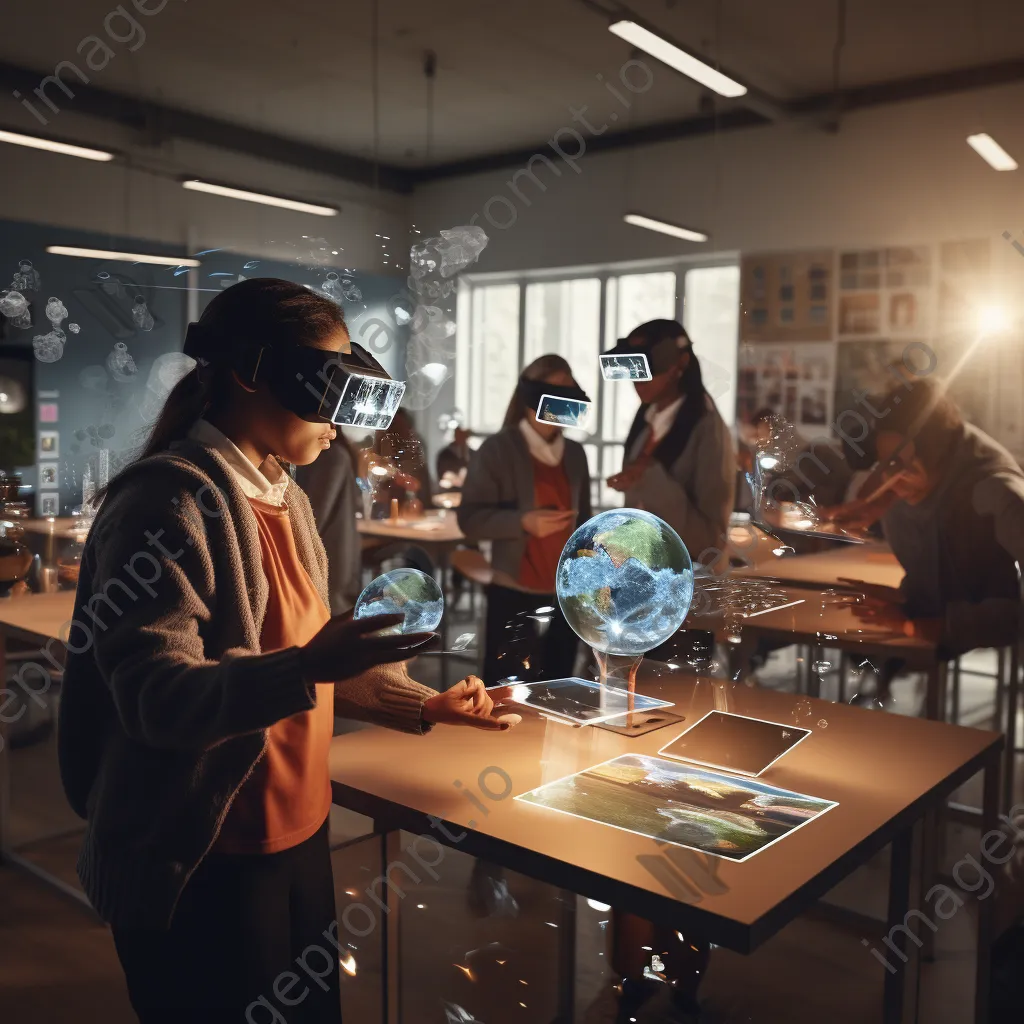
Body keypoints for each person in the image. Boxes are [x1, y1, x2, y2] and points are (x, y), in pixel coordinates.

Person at [57, 279, 515, 1023]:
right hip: (202, 858)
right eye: (328, 385)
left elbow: (314, 655)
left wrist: (423, 702)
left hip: (297, 838)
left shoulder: (285, 495)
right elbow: (154, 698)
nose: (340, 423)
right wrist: (304, 669)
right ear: (253, 373)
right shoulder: (164, 504)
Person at [842, 375, 1024, 657]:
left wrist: (914, 626)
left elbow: (1013, 617)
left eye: (901, 464)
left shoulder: (995, 493)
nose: (890, 479)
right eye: (885, 463)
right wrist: (904, 601)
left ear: (938, 453)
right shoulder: (903, 485)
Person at [458, 353, 592, 685]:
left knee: (558, 685)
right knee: (508, 689)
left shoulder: (575, 455)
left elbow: (585, 521)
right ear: (533, 400)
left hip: (565, 595)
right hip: (513, 593)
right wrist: (522, 522)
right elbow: (470, 519)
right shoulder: (496, 450)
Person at [605, 320, 735, 568]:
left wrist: (651, 477)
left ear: (681, 363)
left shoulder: (708, 429)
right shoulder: (645, 421)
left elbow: (711, 542)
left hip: (691, 587)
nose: (638, 379)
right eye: (633, 368)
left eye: (649, 367)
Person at [294, 433, 363, 615]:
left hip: (327, 555)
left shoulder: (332, 456)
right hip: (333, 555)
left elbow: (315, 515)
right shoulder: (335, 454)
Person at [436, 425, 472, 489]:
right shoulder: (445, 455)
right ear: (455, 435)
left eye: (463, 435)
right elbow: (442, 474)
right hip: (450, 490)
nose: (461, 438)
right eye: (459, 435)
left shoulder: (473, 454)